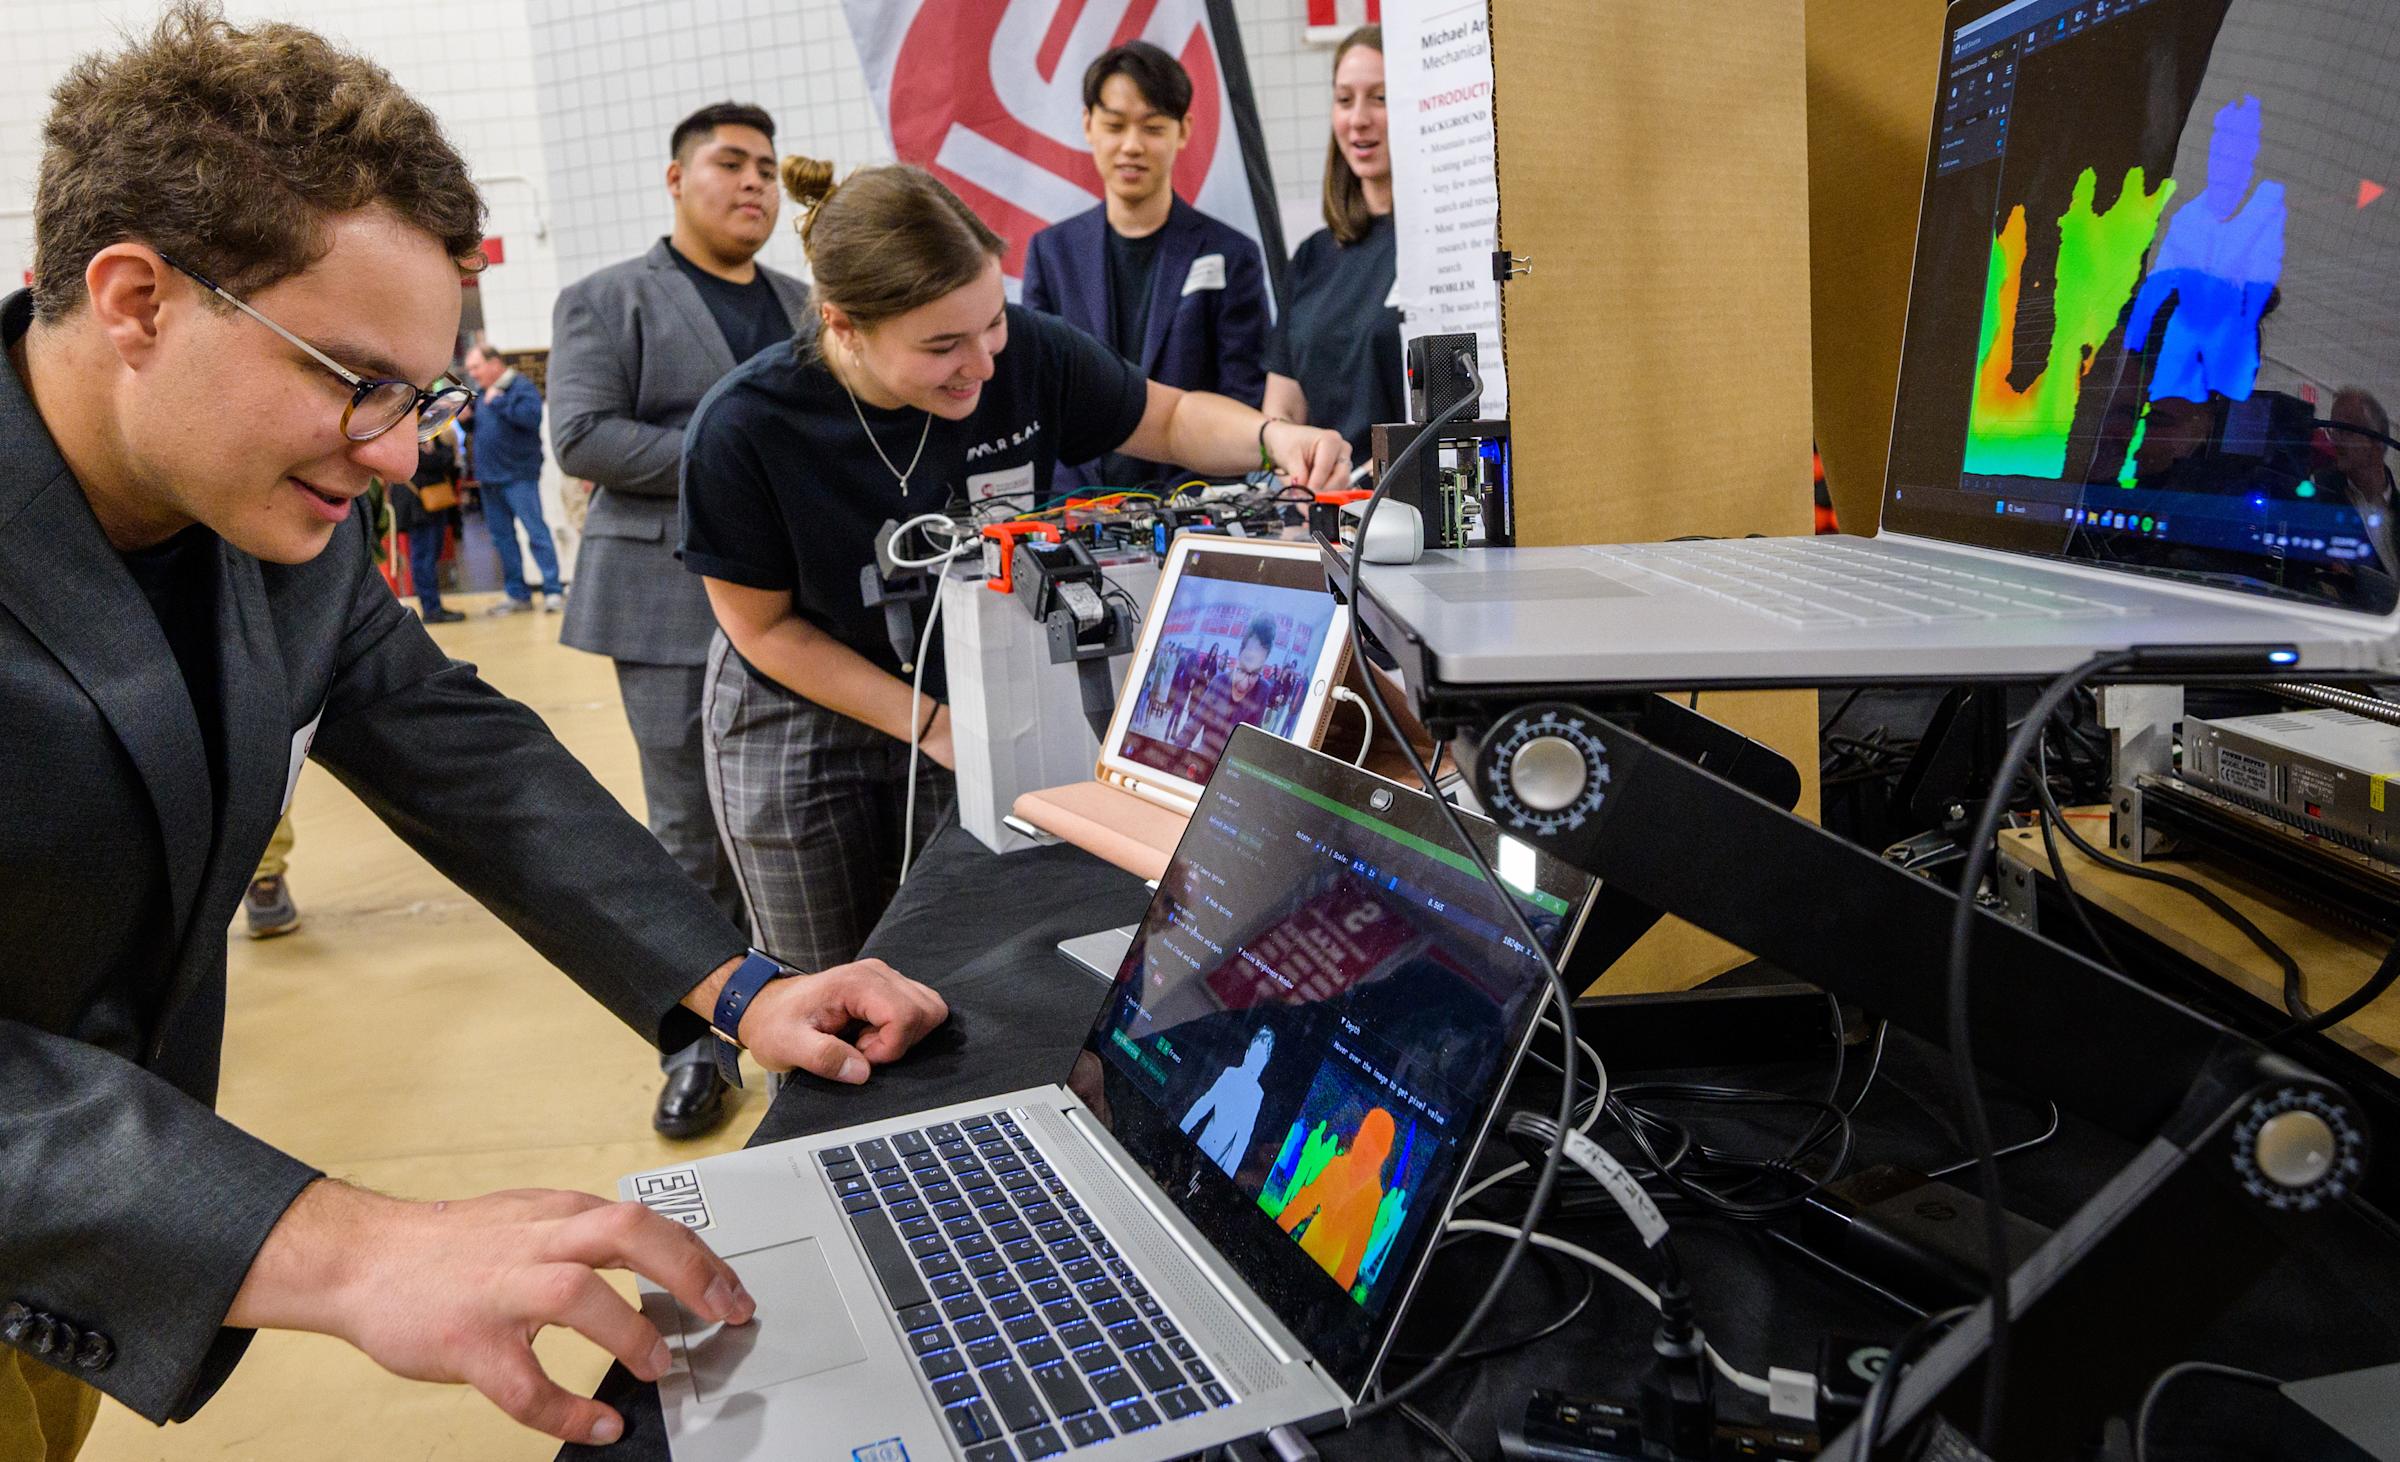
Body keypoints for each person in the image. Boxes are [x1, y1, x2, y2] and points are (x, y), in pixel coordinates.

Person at [0, 10, 949, 1456]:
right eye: (351, 379)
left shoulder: (257, 508)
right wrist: (341, 1243)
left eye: (421, 393)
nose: (393, 452)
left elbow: (454, 742)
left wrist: (737, 983)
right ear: (136, 299)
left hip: (65, 1256)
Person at [682, 156, 1351, 973]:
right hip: (800, 708)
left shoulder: (1024, 354)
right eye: (942, 345)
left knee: (958, 956)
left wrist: (1270, 437)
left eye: (991, 322)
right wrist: (930, 726)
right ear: (843, 325)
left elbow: (1169, 420)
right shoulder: (744, 427)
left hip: (959, 688)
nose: (984, 364)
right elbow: (762, 627)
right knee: (824, 979)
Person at [551, 101, 810, 1141]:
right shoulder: (606, 299)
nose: (755, 184)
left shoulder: (804, 302)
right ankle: (697, 1045)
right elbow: (583, 436)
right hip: (660, 599)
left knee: (787, 811)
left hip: (792, 602)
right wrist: (733, 460)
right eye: (730, 163)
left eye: (768, 169)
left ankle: (791, 1002)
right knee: (689, 831)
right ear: (675, 178)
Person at [1021, 40, 1269, 491]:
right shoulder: (1050, 253)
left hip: (1195, 505)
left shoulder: (1232, 254)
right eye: (1115, 126)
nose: (1131, 146)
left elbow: (1242, 399)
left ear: (1184, 131)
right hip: (1075, 506)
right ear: (1088, 126)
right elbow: (1039, 398)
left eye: (1153, 127)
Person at [1261, 24, 1405, 464]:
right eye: (1345, 100)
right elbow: (1283, 405)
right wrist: (1294, 462)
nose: (1358, 118)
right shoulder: (1312, 256)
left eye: (1380, 98)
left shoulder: (1441, 252)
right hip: (1326, 511)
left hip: (1416, 511)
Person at [460, 342, 564, 614]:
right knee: (502, 538)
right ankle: (517, 595)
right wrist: (466, 420)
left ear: (494, 363)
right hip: (489, 478)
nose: (472, 373)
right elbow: (484, 428)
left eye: (476, 366)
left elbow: (532, 418)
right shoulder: (482, 393)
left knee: (535, 531)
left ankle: (553, 591)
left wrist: (501, 401)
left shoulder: (520, 387)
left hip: (518, 475)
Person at [1175, 613, 1280, 778]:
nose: (1244, 684)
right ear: (1238, 657)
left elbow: (1252, 742)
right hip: (1203, 764)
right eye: (1243, 670)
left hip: (1230, 774)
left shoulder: (1263, 690)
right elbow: (1194, 723)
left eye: (1254, 674)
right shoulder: (1219, 681)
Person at [392, 428, 464, 624]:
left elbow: (448, 458)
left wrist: (433, 455)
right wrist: (432, 456)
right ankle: (431, 608)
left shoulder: (431, 429)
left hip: (433, 501)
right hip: (417, 504)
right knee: (423, 556)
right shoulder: (404, 433)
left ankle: (434, 605)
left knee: (431, 553)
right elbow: (427, 463)